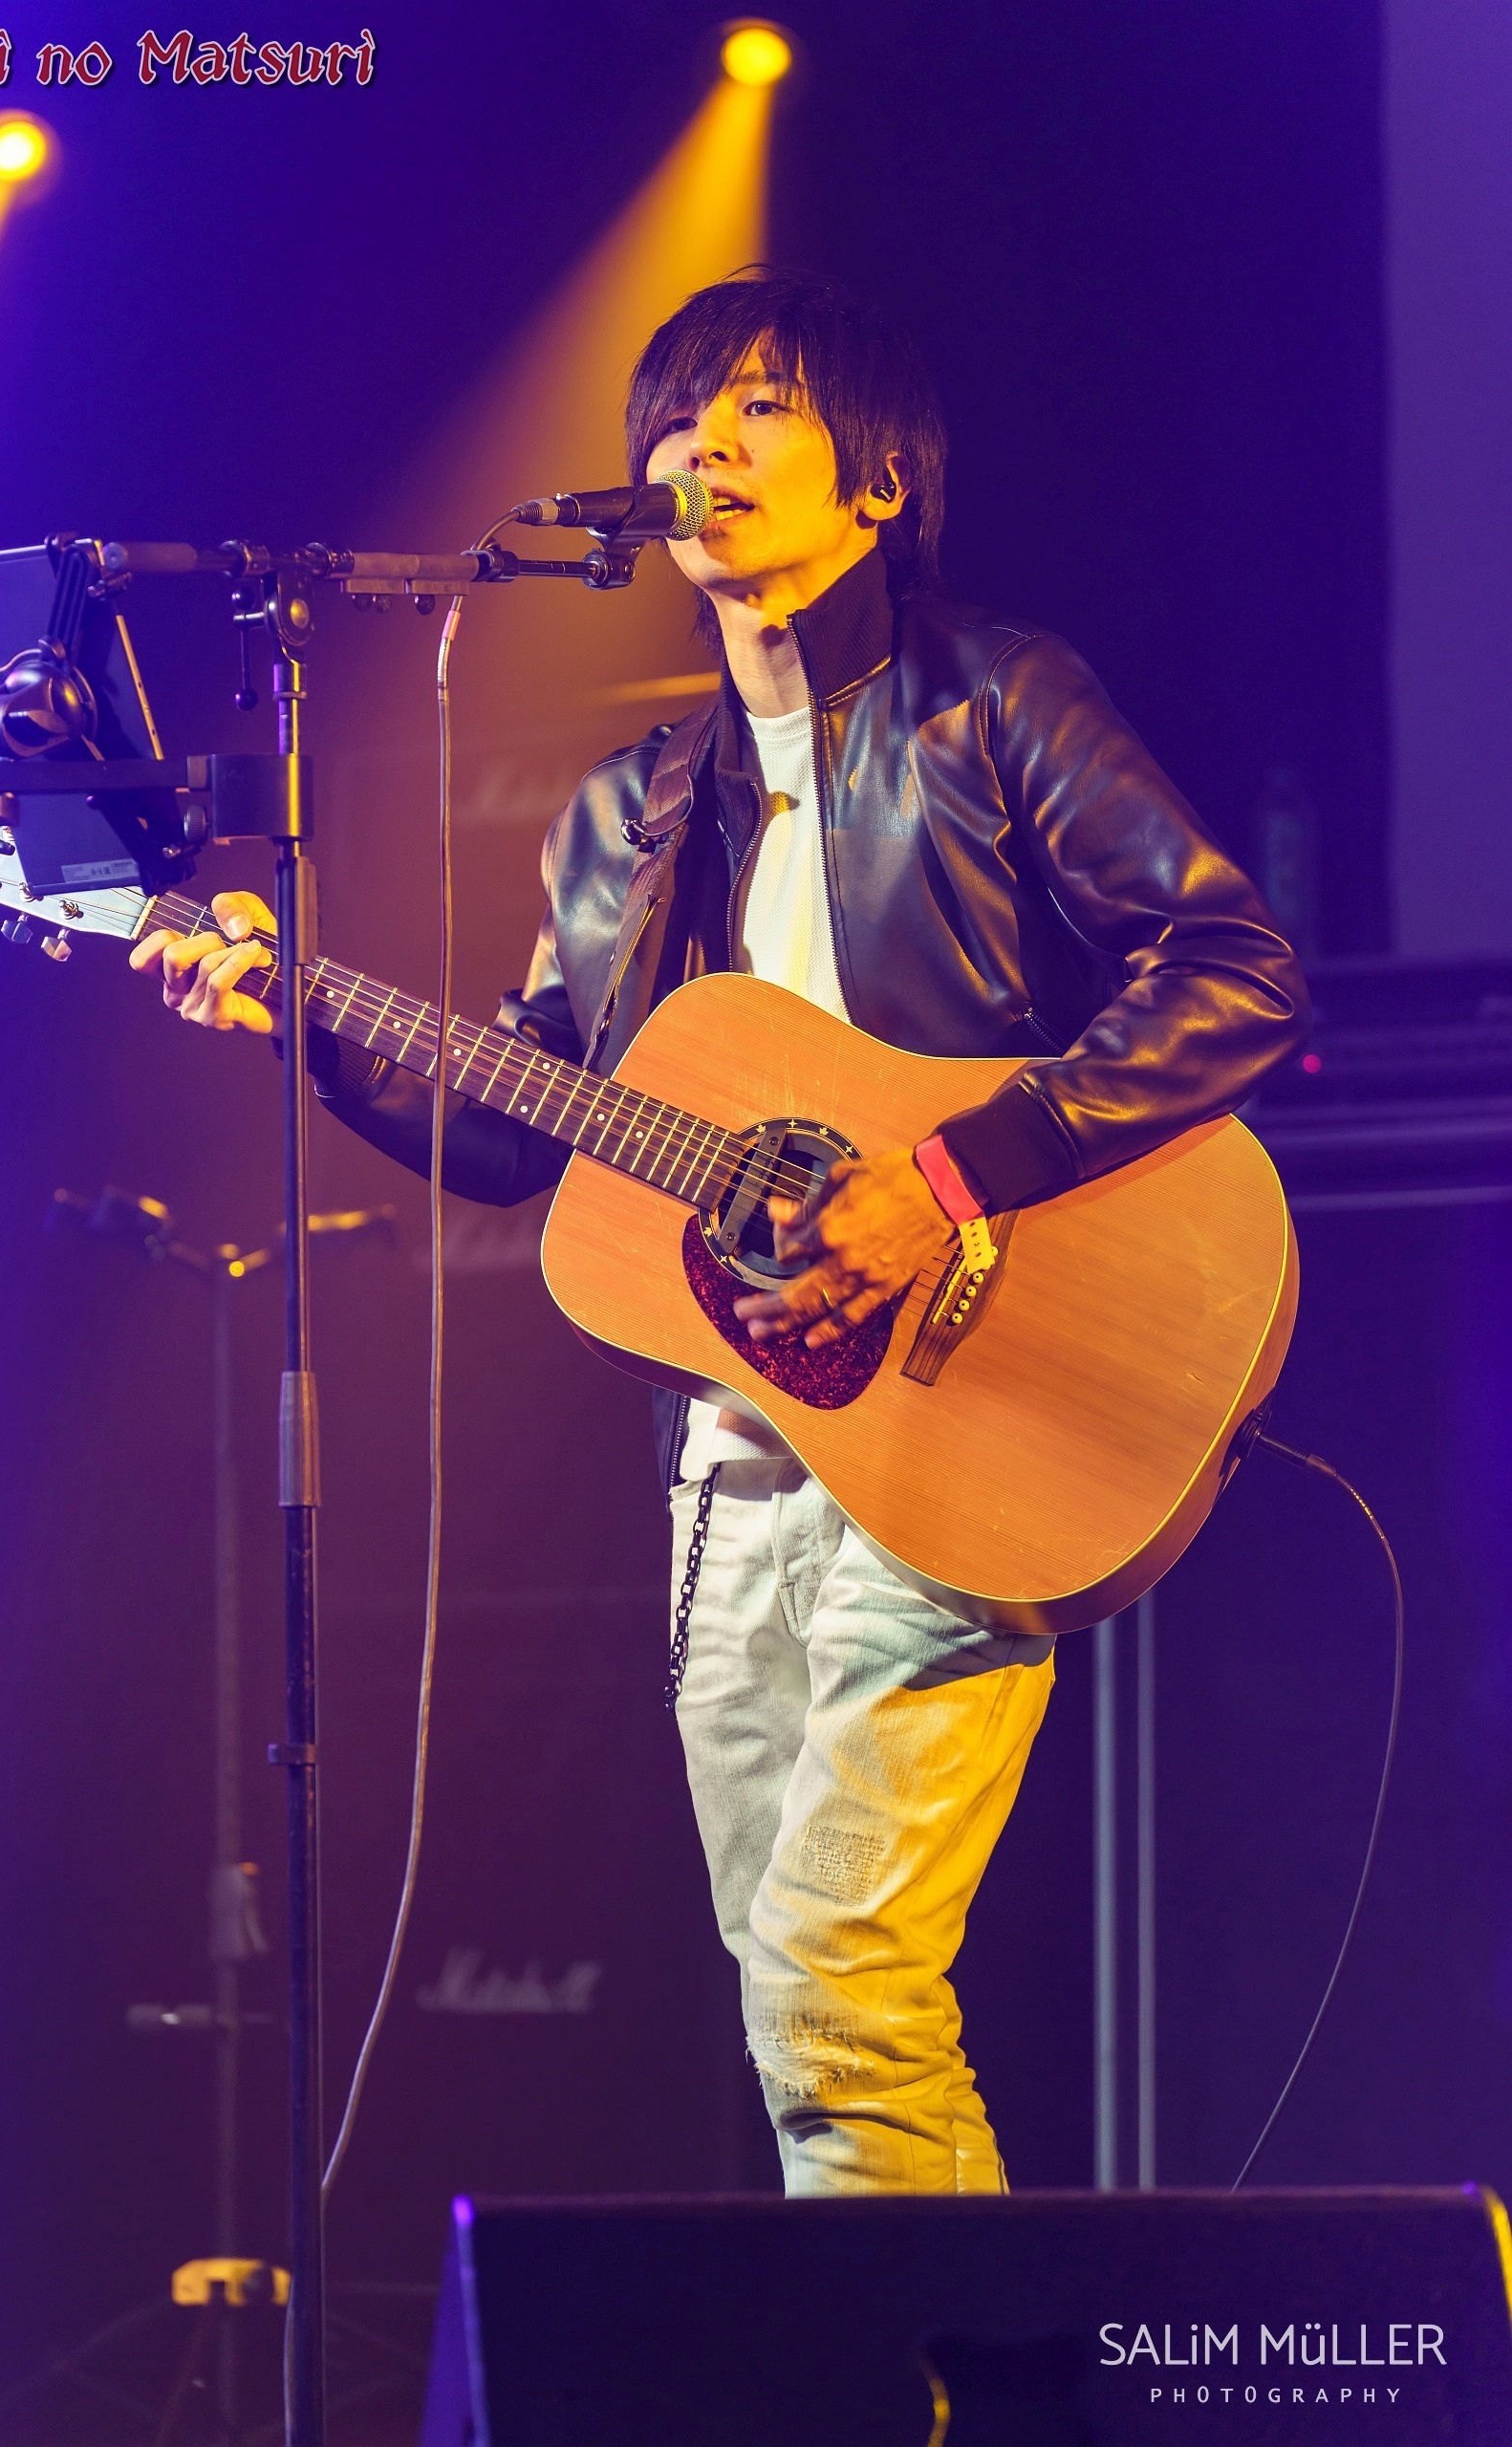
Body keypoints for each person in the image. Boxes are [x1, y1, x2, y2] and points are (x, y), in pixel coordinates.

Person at [131, 269, 1307, 2197]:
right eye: (677, 413)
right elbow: (515, 1129)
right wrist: (310, 1024)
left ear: (879, 480)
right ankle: (919, 2353)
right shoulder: (622, 817)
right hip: (740, 1479)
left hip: (968, 1425)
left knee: (836, 1989)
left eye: (762, 404)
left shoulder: (994, 699)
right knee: (810, 2024)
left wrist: (944, 1179)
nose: (705, 444)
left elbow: (1234, 968)